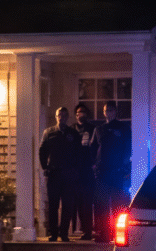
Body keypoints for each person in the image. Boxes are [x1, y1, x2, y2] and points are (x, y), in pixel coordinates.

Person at [39, 106, 83, 241]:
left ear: (67, 117)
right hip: (54, 173)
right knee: (53, 204)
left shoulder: (73, 134)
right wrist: (45, 167)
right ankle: (53, 233)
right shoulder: (49, 132)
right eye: (59, 115)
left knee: (67, 205)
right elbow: (42, 151)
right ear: (56, 117)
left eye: (64, 115)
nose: (62, 118)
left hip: (69, 174)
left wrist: (75, 170)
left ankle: (63, 233)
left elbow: (79, 153)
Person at [91, 101, 132, 242]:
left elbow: (129, 148)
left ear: (115, 112)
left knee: (118, 205)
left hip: (117, 172)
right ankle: (103, 233)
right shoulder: (99, 129)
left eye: (111, 110)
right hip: (102, 172)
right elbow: (93, 148)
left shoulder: (123, 128)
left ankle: (117, 233)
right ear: (104, 112)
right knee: (101, 205)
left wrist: (125, 167)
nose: (109, 113)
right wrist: (94, 166)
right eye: (106, 110)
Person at [72, 104, 97, 240]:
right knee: (78, 202)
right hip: (75, 171)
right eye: (78, 112)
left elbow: (96, 148)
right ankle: (83, 227)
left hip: (88, 170)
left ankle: (88, 230)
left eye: (82, 112)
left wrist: (94, 164)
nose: (80, 114)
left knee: (87, 201)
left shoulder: (93, 129)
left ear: (86, 114)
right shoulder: (71, 129)